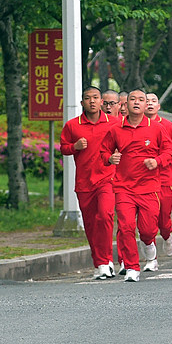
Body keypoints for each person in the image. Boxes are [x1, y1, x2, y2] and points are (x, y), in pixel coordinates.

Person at [100, 89, 172, 282]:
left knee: (148, 229)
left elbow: (170, 152)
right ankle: (132, 266)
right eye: (133, 99)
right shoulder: (116, 129)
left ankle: (149, 244)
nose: (137, 102)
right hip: (124, 187)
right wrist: (110, 158)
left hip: (149, 187)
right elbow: (104, 151)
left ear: (145, 105)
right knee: (125, 227)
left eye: (141, 100)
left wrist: (157, 161)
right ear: (126, 104)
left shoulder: (156, 128)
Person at [59, 86, 117, 279]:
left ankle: (105, 260)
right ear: (82, 102)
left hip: (107, 179)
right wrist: (74, 147)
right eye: (87, 98)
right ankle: (100, 262)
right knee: (91, 224)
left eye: (95, 97)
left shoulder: (114, 123)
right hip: (84, 182)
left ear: (102, 102)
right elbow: (63, 148)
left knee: (106, 215)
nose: (92, 101)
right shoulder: (72, 125)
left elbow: (125, 146)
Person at [144, 92, 172, 258]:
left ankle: (166, 236)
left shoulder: (167, 125)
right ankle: (151, 253)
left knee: (163, 220)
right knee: (147, 219)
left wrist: (163, 161)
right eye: (147, 101)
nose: (150, 103)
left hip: (165, 179)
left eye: (154, 101)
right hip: (143, 180)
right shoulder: (135, 125)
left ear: (158, 106)